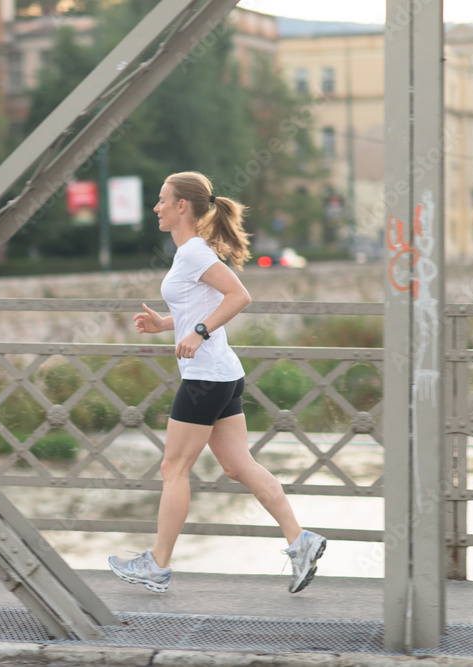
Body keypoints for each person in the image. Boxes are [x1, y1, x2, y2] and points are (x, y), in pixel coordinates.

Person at [107, 171, 325, 594]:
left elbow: (239, 296)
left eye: (162, 200)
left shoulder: (193, 253)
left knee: (174, 468)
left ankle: (157, 564)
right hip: (222, 374)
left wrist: (199, 332)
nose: (157, 207)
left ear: (181, 206)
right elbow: (199, 305)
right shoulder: (190, 252)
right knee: (237, 465)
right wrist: (165, 324)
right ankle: (301, 541)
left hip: (206, 377)